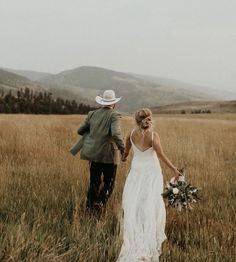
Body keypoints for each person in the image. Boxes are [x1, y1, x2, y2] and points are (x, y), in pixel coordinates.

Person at [117, 108, 181, 261]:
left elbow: (125, 155)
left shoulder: (130, 134)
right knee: (150, 203)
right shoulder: (153, 136)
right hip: (152, 173)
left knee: (136, 203)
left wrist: (124, 157)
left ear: (136, 120)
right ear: (149, 120)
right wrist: (175, 170)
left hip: (136, 172)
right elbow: (161, 155)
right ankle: (147, 234)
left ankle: (136, 233)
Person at [75, 90, 125, 214]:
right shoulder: (115, 115)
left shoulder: (92, 114)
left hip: (93, 154)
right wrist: (123, 148)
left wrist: (93, 132)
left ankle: (89, 207)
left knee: (94, 181)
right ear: (114, 104)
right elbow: (116, 134)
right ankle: (100, 204)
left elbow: (80, 131)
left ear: (102, 102)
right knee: (109, 182)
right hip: (109, 155)